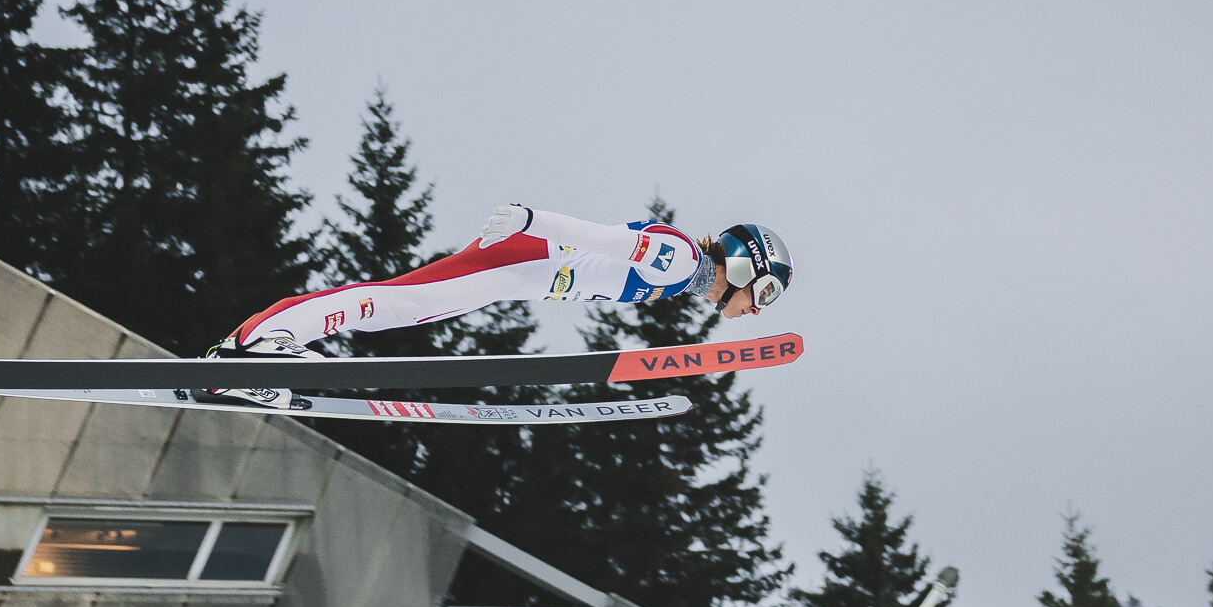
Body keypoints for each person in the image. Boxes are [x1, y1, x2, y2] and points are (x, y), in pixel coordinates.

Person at [203, 205, 794, 406]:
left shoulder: (680, 277)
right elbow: (605, 240)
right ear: (743, 266)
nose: (758, 309)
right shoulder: (682, 261)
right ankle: (253, 345)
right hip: (519, 258)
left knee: (401, 308)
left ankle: (248, 362)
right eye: (764, 292)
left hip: (517, 275)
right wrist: (532, 218)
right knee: (394, 303)